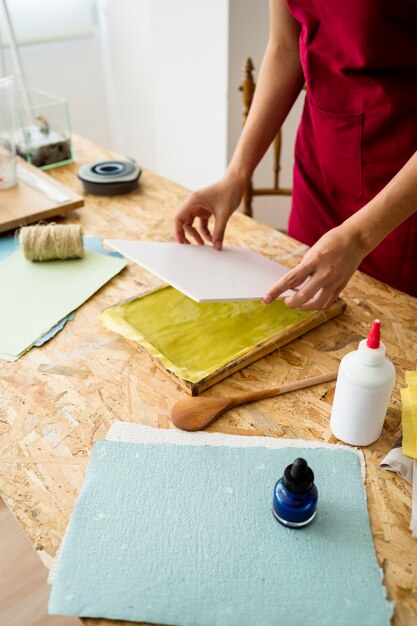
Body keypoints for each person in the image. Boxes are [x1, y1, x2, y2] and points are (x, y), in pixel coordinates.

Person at [174, 0, 417, 310]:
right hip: (320, 159)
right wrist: (236, 176)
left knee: (388, 329)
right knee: (300, 308)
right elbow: (284, 47)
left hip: (400, 185)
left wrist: (357, 237)